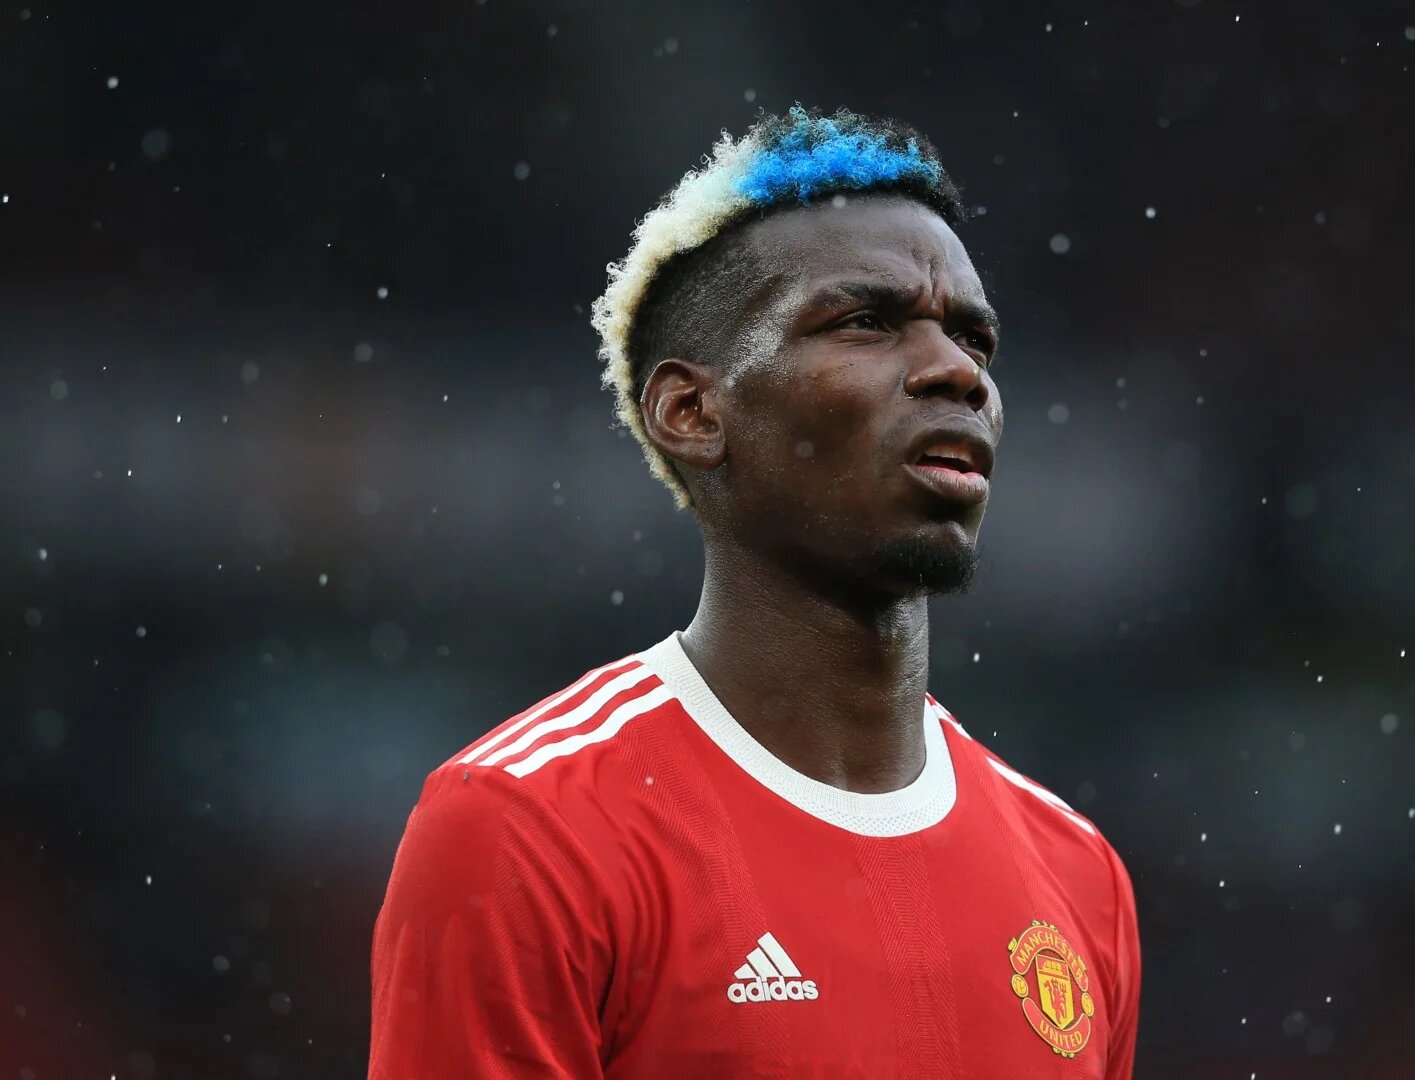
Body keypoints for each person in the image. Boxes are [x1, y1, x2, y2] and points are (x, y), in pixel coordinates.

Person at [368, 104, 1140, 1078]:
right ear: (692, 411)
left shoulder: (1078, 875)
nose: (956, 371)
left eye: (974, 340)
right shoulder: (529, 827)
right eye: (867, 321)